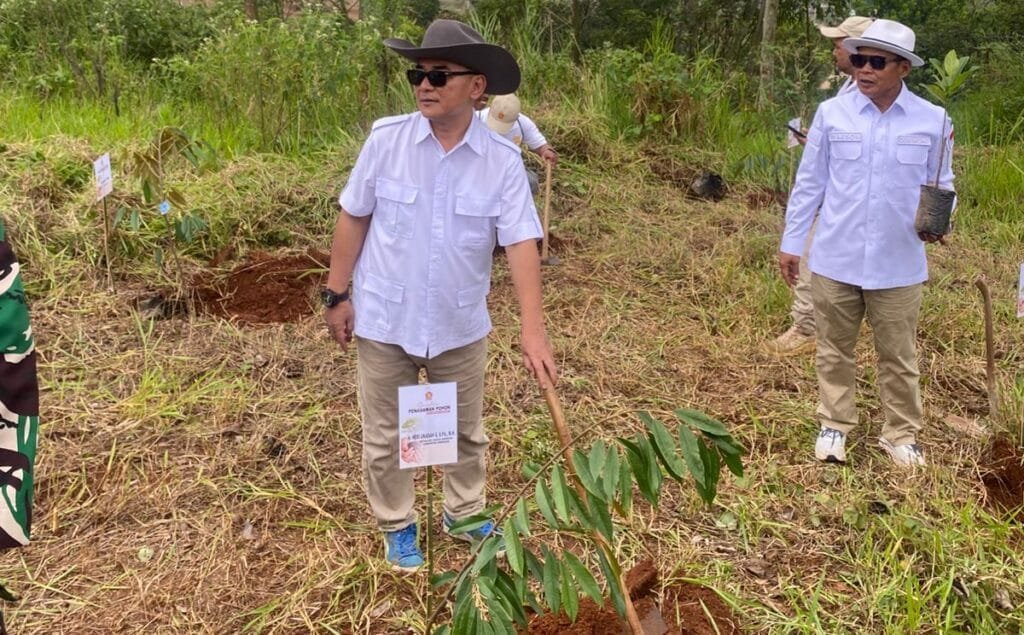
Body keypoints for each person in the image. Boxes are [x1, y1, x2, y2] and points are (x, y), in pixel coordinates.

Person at [323, 19, 558, 572]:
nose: (424, 85)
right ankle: (398, 524)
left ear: (477, 88)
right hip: (385, 318)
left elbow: (523, 242)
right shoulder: (387, 141)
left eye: (438, 75)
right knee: (384, 435)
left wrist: (533, 328)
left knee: (462, 430)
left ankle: (465, 512)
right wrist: (337, 295)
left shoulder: (501, 162)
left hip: (458, 323)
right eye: (417, 74)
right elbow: (353, 217)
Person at [778, 19, 954, 468]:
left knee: (898, 354)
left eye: (877, 61)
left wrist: (940, 221)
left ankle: (901, 434)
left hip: (898, 262)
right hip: (836, 256)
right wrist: (792, 242)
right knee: (834, 347)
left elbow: (942, 183)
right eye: (858, 59)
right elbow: (809, 183)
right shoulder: (831, 114)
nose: (864, 69)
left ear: (903, 69)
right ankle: (834, 423)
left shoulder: (933, 121)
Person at [765, 15, 874, 356]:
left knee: (813, 257)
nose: (834, 52)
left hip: (845, 198)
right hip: (836, 194)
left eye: (838, 45)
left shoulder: (871, 93)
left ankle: (807, 327)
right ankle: (818, 322)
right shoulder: (847, 88)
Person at [475, 93, 557, 195]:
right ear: (491, 109)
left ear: (516, 117)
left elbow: (541, 146)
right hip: (481, 169)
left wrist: (547, 151)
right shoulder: (476, 118)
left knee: (531, 182)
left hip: (509, 170)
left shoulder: (523, 124)